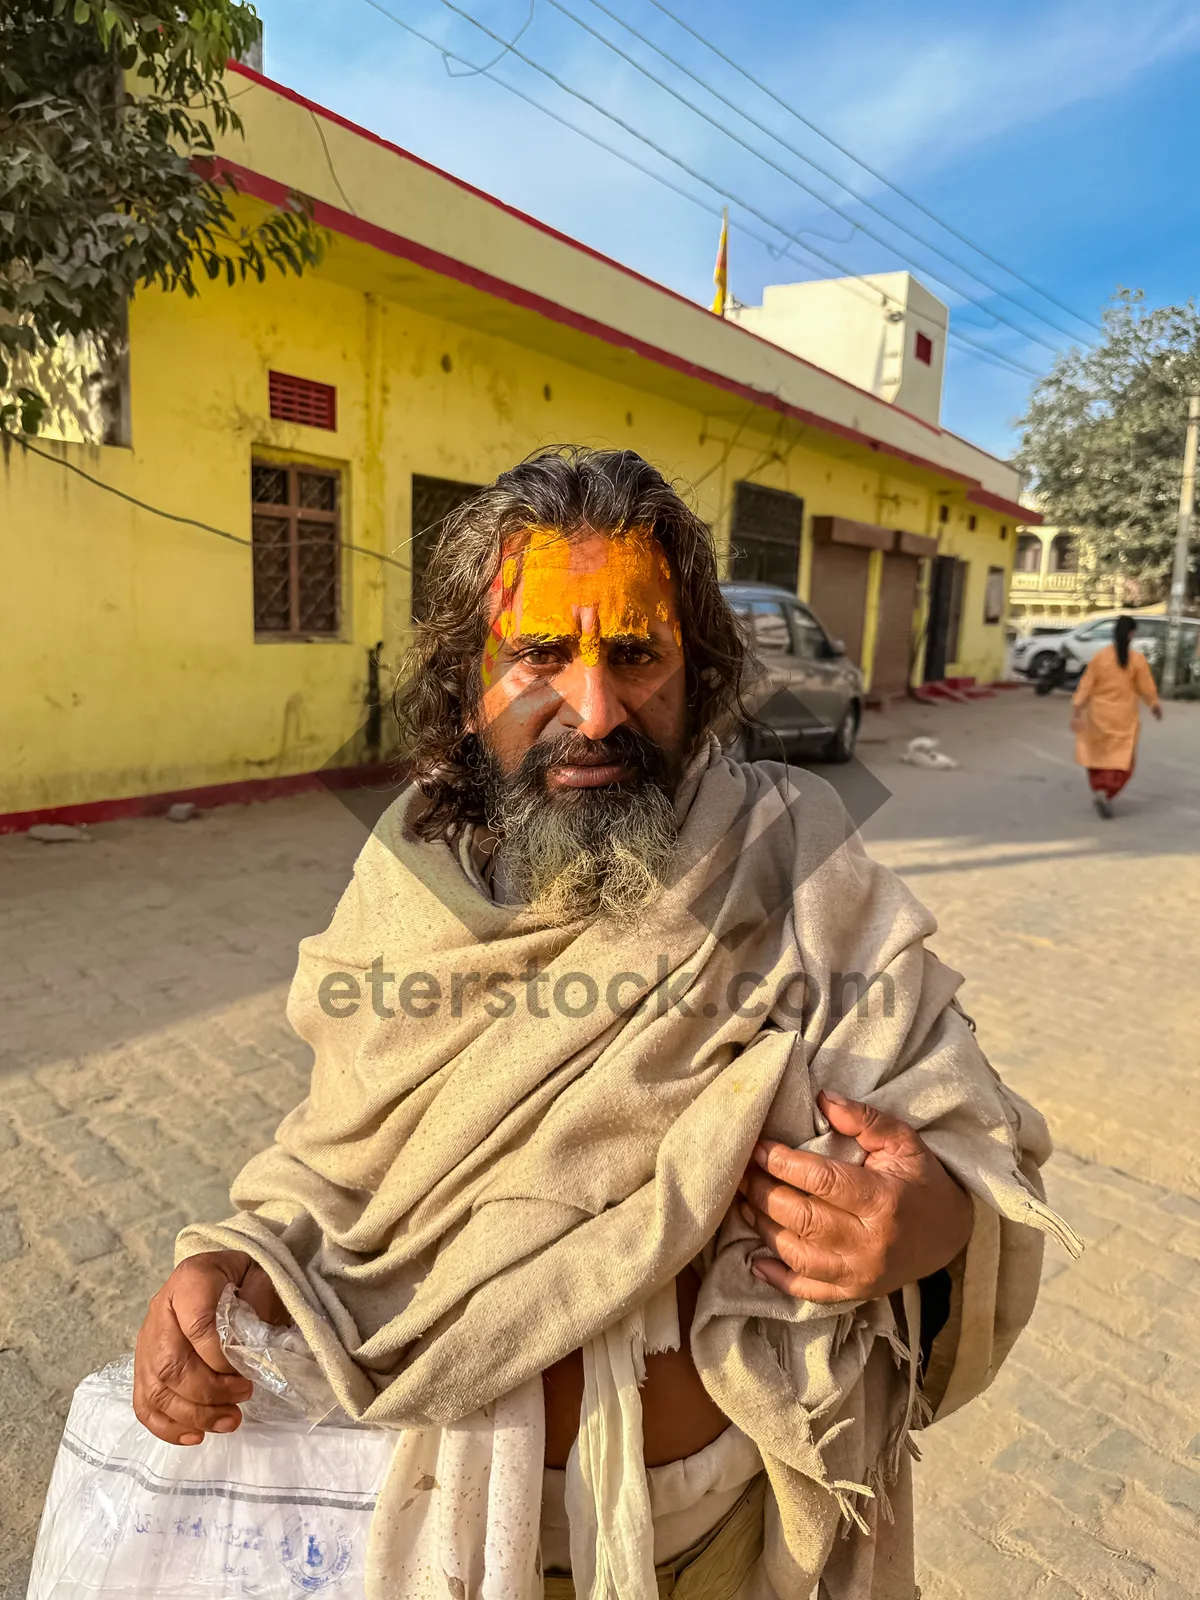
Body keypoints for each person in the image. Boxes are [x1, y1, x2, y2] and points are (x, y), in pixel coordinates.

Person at [133, 449, 1070, 1600]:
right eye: (538, 652)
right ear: (469, 673)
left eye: (635, 653)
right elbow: (342, 1156)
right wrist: (234, 1260)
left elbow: (959, 1119)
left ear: (696, 666)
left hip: (735, 1535)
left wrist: (921, 1223)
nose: (594, 708)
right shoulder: (407, 881)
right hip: (467, 1533)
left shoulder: (791, 849)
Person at [1071, 615, 1163, 819]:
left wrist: (1077, 708)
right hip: (1124, 717)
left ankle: (1099, 789)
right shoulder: (1137, 660)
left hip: (1098, 716)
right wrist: (1154, 705)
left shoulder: (1100, 657)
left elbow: (1086, 684)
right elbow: (1146, 687)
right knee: (1123, 760)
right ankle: (1107, 792)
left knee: (1097, 757)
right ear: (1131, 634)